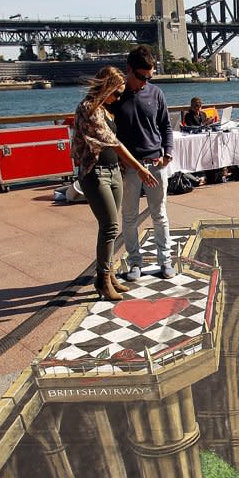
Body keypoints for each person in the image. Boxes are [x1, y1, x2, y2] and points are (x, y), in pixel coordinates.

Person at [72, 66, 158, 302]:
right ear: (106, 87)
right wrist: (139, 168)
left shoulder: (107, 111)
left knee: (111, 226)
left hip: (113, 171)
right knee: (109, 226)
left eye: (121, 94)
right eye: (116, 93)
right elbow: (115, 143)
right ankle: (102, 279)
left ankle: (108, 277)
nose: (118, 98)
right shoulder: (89, 109)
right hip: (95, 172)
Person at [112, 46, 175, 281]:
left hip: (155, 164)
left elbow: (166, 126)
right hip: (129, 167)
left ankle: (164, 260)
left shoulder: (156, 93)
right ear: (128, 70)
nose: (145, 82)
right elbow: (110, 134)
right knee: (129, 216)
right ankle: (135, 263)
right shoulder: (116, 98)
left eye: (149, 77)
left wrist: (168, 153)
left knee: (160, 214)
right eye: (141, 77)